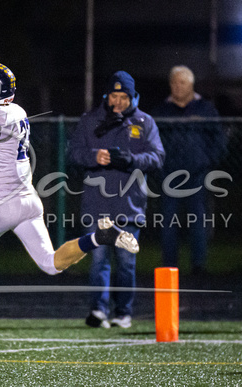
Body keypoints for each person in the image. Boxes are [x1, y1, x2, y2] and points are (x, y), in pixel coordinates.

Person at [0, 63, 140, 335]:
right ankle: (99, 238)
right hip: (29, 201)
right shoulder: (17, 110)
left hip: (1, 204)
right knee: (51, 264)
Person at [69, 71, 165, 329]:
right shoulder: (90, 120)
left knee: (125, 262)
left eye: (124, 96)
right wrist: (94, 156)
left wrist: (133, 160)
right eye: (115, 95)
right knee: (98, 260)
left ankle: (123, 312)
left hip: (129, 206)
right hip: (97, 205)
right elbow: (73, 152)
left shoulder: (144, 122)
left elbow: (158, 157)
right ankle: (98, 311)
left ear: (133, 96)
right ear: (107, 95)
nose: (119, 101)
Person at [151, 65, 226, 275]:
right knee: (168, 222)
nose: (177, 87)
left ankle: (198, 266)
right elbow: (151, 142)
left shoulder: (205, 109)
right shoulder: (161, 112)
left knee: (198, 221)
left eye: (182, 82)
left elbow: (219, 140)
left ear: (191, 85)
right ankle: (169, 266)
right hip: (169, 176)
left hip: (197, 175)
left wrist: (206, 161)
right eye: (174, 82)